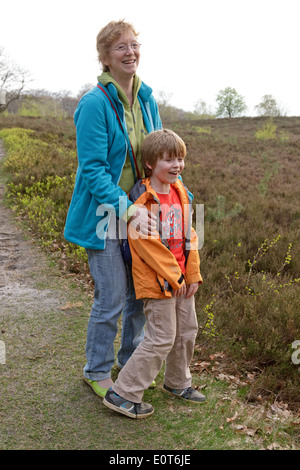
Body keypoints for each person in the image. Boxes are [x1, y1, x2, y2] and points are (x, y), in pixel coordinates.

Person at [64, 20, 162, 398]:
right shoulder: (93, 104)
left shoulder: (147, 99)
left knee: (139, 294)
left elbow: (160, 154)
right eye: (120, 47)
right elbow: (93, 171)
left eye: (134, 45)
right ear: (105, 58)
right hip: (106, 215)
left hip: (141, 211)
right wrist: (128, 210)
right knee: (112, 296)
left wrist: (175, 198)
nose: (130, 52)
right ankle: (97, 369)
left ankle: (130, 361)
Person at [103, 129, 205, 419]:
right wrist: (177, 276)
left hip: (182, 279)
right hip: (158, 282)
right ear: (150, 163)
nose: (177, 166)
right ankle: (122, 393)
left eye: (181, 159)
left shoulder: (180, 192)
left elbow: (190, 234)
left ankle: (177, 383)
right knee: (161, 337)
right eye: (169, 160)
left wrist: (193, 273)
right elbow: (150, 249)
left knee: (186, 331)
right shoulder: (142, 200)